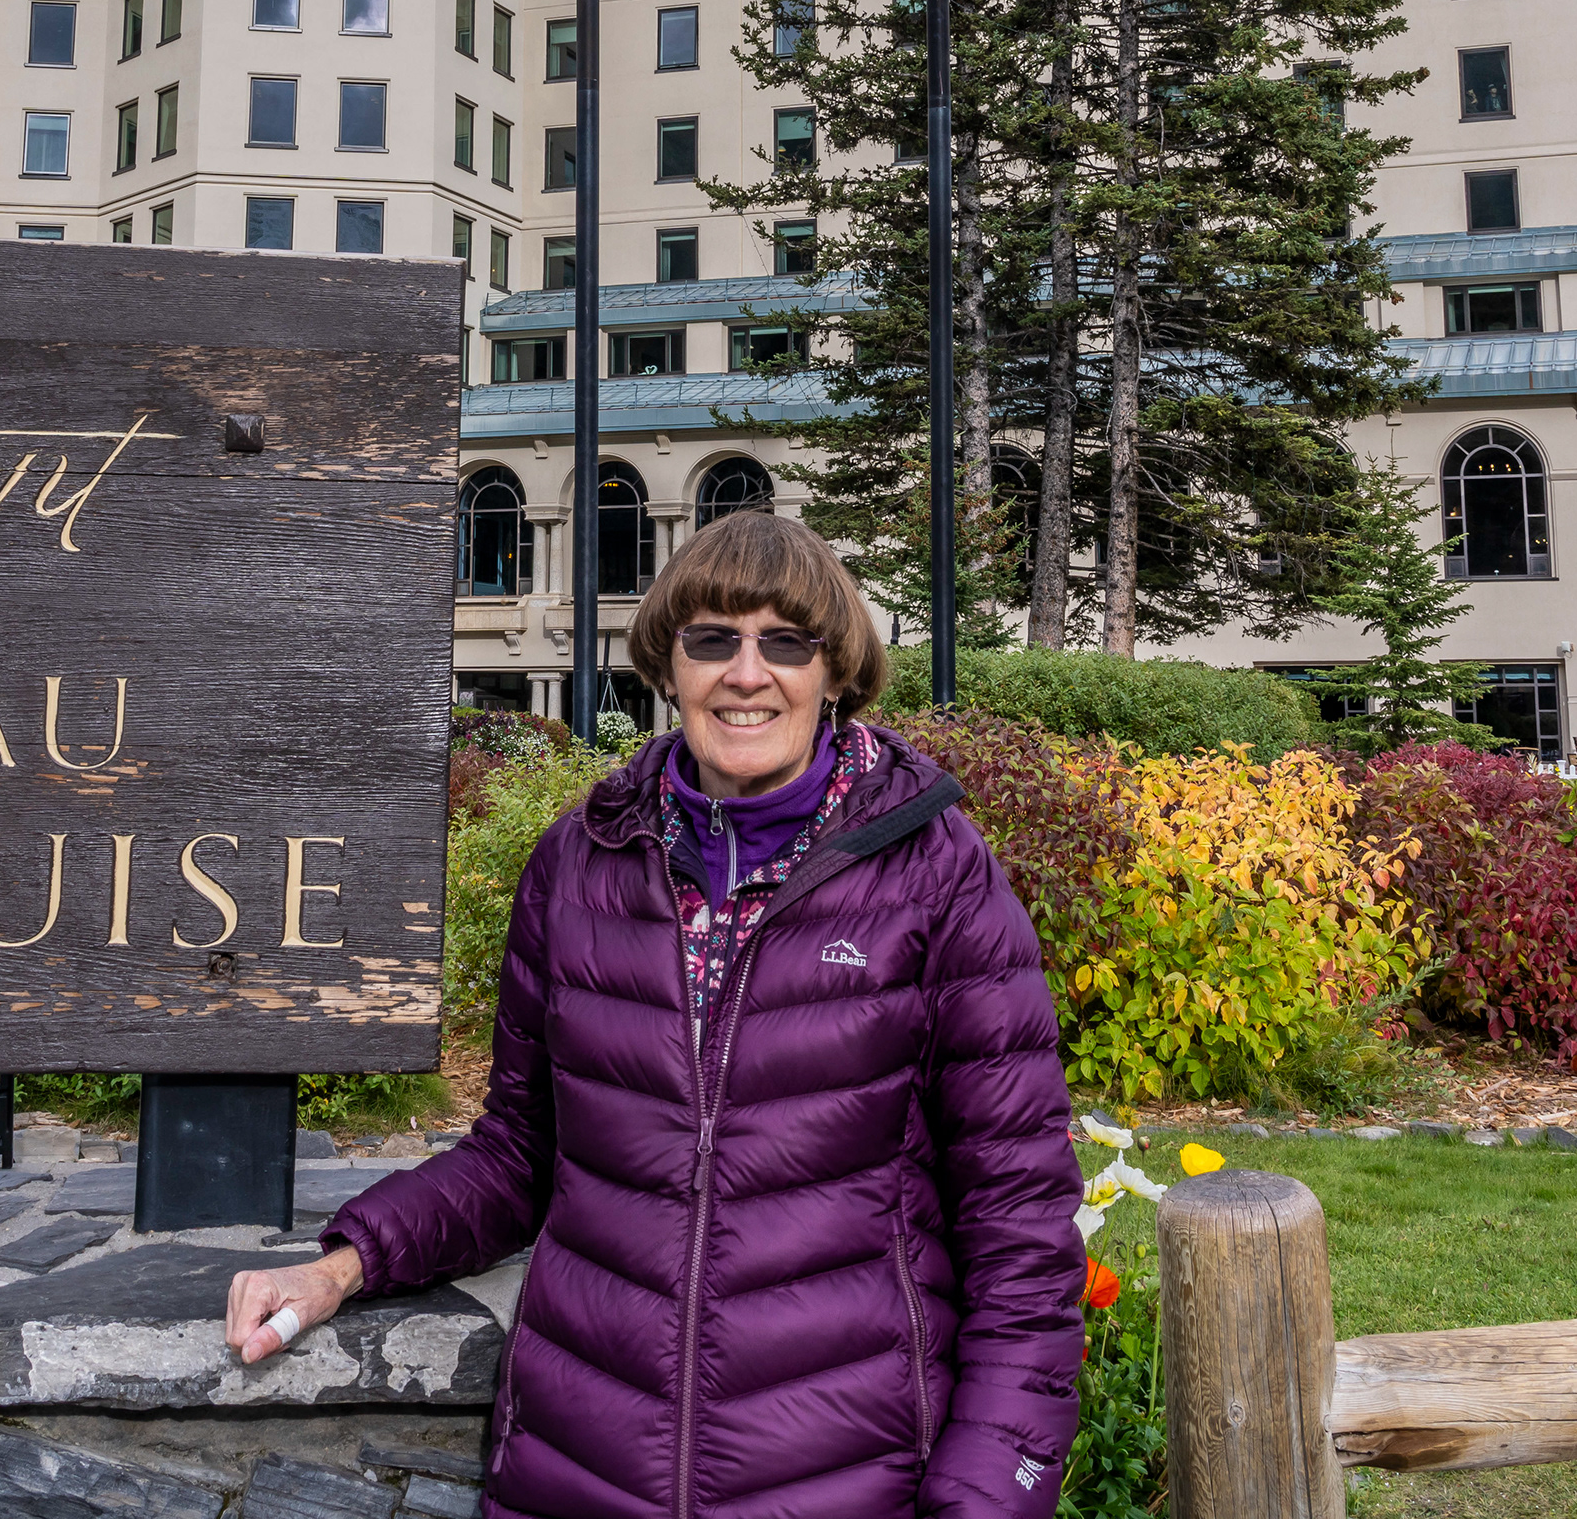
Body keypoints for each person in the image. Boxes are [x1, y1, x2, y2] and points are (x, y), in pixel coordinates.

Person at [222, 511, 1083, 1519]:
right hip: (581, 1472)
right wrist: (345, 1263)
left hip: (845, 1478)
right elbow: (520, 1154)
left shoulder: (936, 878)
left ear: (836, 670)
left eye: (785, 642)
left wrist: (986, 1501)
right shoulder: (580, 864)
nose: (746, 672)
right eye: (712, 638)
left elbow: (1019, 1239)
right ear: (668, 666)